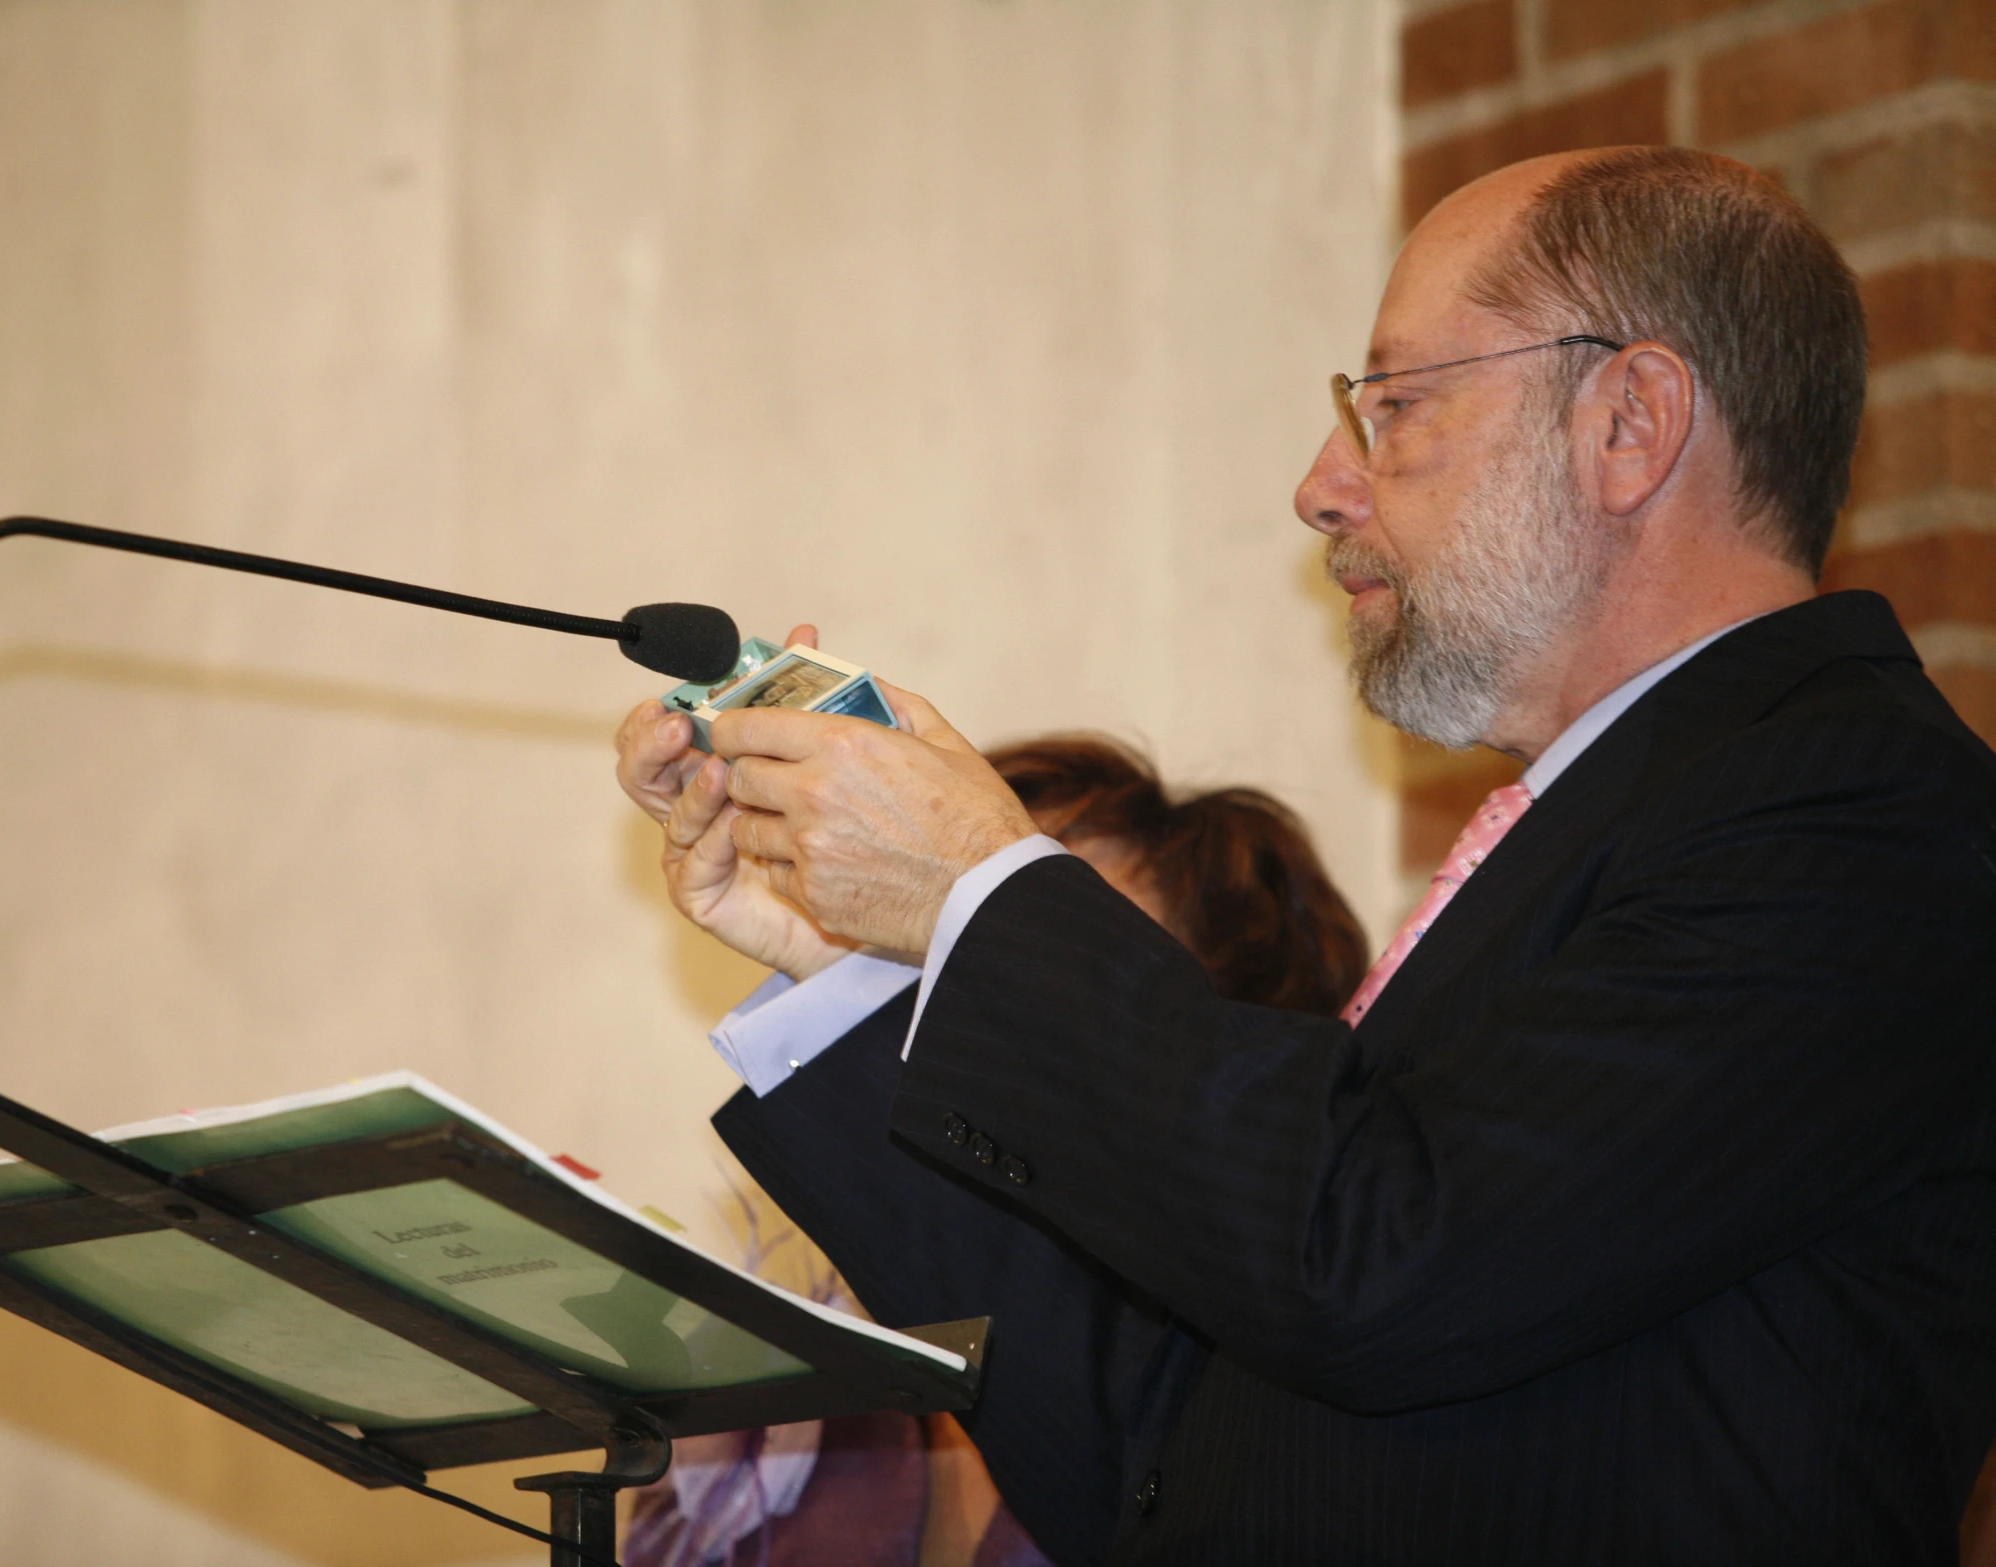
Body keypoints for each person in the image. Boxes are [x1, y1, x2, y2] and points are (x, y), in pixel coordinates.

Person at [616, 145, 1996, 1563]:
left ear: (1628, 423)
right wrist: (862, 983)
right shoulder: (1608, 823)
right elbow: (1166, 1450)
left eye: (1394, 406)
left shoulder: (1858, 812)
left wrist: (986, 889)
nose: (1320, 485)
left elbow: (1383, 1258)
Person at [622, 737, 1367, 1567]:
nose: (961, 1013)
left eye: (1053, 974)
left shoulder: (1253, 1428)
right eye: (936, 948)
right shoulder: (792, 1410)